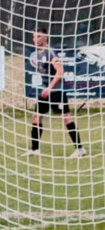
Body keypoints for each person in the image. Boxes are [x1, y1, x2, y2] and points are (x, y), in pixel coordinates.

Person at [27, 29, 87, 158]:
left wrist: (49, 87)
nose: (35, 39)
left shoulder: (51, 53)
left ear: (45, 37)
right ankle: (35, 150)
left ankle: (80, 149)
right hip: (46, 92)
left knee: (66, 118)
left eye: (39, 36)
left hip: (56, 91)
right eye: (34, 37)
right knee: (36, 117)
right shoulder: (37, 54)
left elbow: (60, 72)